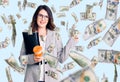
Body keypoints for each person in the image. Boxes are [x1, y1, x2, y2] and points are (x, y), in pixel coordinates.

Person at [19, 5, 79, 82]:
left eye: (46, 16)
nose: (43, 19)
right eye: (40, 15)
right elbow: (21, 59)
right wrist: (32, 58)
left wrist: (72, 42)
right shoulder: (29, 35)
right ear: (36, 17)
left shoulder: (55, 35)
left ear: (49, 19)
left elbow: (61, 59)